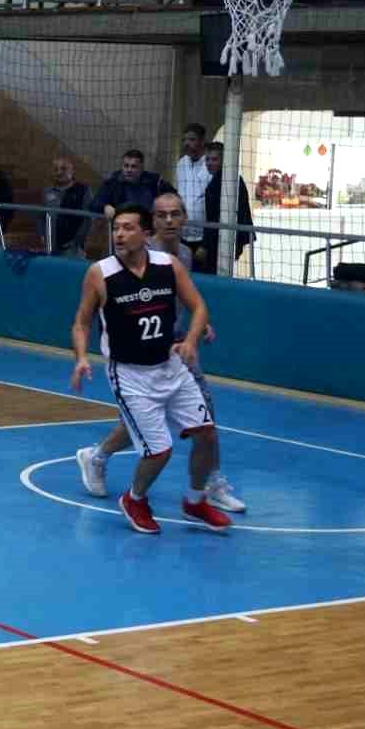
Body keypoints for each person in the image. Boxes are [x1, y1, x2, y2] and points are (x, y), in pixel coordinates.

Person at [68, 204, 232, 535]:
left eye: (128, 228)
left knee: (207, 434)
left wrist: (191, 341)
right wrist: (82, 357)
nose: (119, 234)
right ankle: (135, 499)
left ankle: (195, 501)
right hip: (130, 375)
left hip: (170, 366)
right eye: (117, 228)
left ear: (145, 234)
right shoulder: (100, 273)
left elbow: (199, 307)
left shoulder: (168, 266)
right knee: (159, 450)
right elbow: (81, 323)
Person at [201, 141, 253, 272]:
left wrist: (205, 245)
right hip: (222, 238)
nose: (209, 163)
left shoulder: (228, 181)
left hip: (222, 240)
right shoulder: (222, 179)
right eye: (207, 159)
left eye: (214, 159)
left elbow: (217, 216)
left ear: (223, 160)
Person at [87, 150, 172, 220]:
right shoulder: (113, 182)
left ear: (142, 168)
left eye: (133, 166)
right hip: (124, 227)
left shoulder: (155, 181)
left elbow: (173, 198)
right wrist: (105, 206)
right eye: (126, 166)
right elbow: (93, 204)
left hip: (149, 227)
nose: (129, 170)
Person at [174, 123, 213, 272]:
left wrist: (206, 244)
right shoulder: (181, 163)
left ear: (202, 141)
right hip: (183, 234)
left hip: (204, 236)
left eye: (191, 139)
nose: (187, 143)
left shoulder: (210, 165)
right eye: (185, 140)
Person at [42, 156, 92, 256]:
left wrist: (77, 242)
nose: (59, 172)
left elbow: (88, 219)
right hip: (51, 246)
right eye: (56, 169)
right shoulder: (47, 191)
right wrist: (42, 235)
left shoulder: (83, 190)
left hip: (73, 248)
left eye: (64, 168)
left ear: (72, 171)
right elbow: (41, 216)